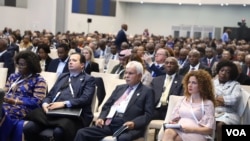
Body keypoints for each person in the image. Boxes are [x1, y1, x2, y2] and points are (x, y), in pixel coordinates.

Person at [74, 61, 155, 141]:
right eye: (126, 73)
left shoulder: (147, 91)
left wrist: (134, 123)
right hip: (110, 122)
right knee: (82, 132)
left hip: (128, 126)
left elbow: (148, 114)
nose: (126, 76)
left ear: (139, 76)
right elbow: (107, 106)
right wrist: (101, 118)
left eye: (130, 73)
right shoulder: (119, 88)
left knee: (123, 138)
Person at [23, 52, 96, 141]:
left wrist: (64, 104)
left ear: (82, 65)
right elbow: (50, 95)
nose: (70, 62)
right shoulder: (63, 76)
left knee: (59, 132)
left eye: (74, 60)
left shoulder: (88, 79)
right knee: (29, 128)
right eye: (69, 60)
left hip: (72, 114)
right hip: (52, 111)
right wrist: (45, 103)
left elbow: (85, 99)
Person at [0, 50, 47, 141]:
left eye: (22, 65)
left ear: (31, 65)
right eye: (18, 64)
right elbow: (6, 90)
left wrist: (15, 101)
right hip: (7, 104)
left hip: (24, 107)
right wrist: (3, 96)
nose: (19, 67)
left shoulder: (39, 80)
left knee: (4, 114)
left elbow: (37, 102)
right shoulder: (13, 76)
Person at [161, 70, 216, 141]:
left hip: (196, 132)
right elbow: (174, 118)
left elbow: (209, 130)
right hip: (179, 128)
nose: (190, 85)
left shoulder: (208, 103)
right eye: (189, 82)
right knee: (168, 132)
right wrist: (173, 122)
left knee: (177, 139)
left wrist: (191, 129)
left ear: (202, 85)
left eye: (194, 83)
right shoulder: (182, 100)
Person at [213, 60, 241, 141]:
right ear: (218, 71)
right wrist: (222, 99)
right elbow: (207, 97)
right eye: (222, 70)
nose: (223, 73)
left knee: (220, 125)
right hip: (213, 112)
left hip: (229, 113)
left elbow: (234, 99)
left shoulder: (235, 84)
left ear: (231, 74)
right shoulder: (212, 82)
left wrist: (217, 98)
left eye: (228, 72)